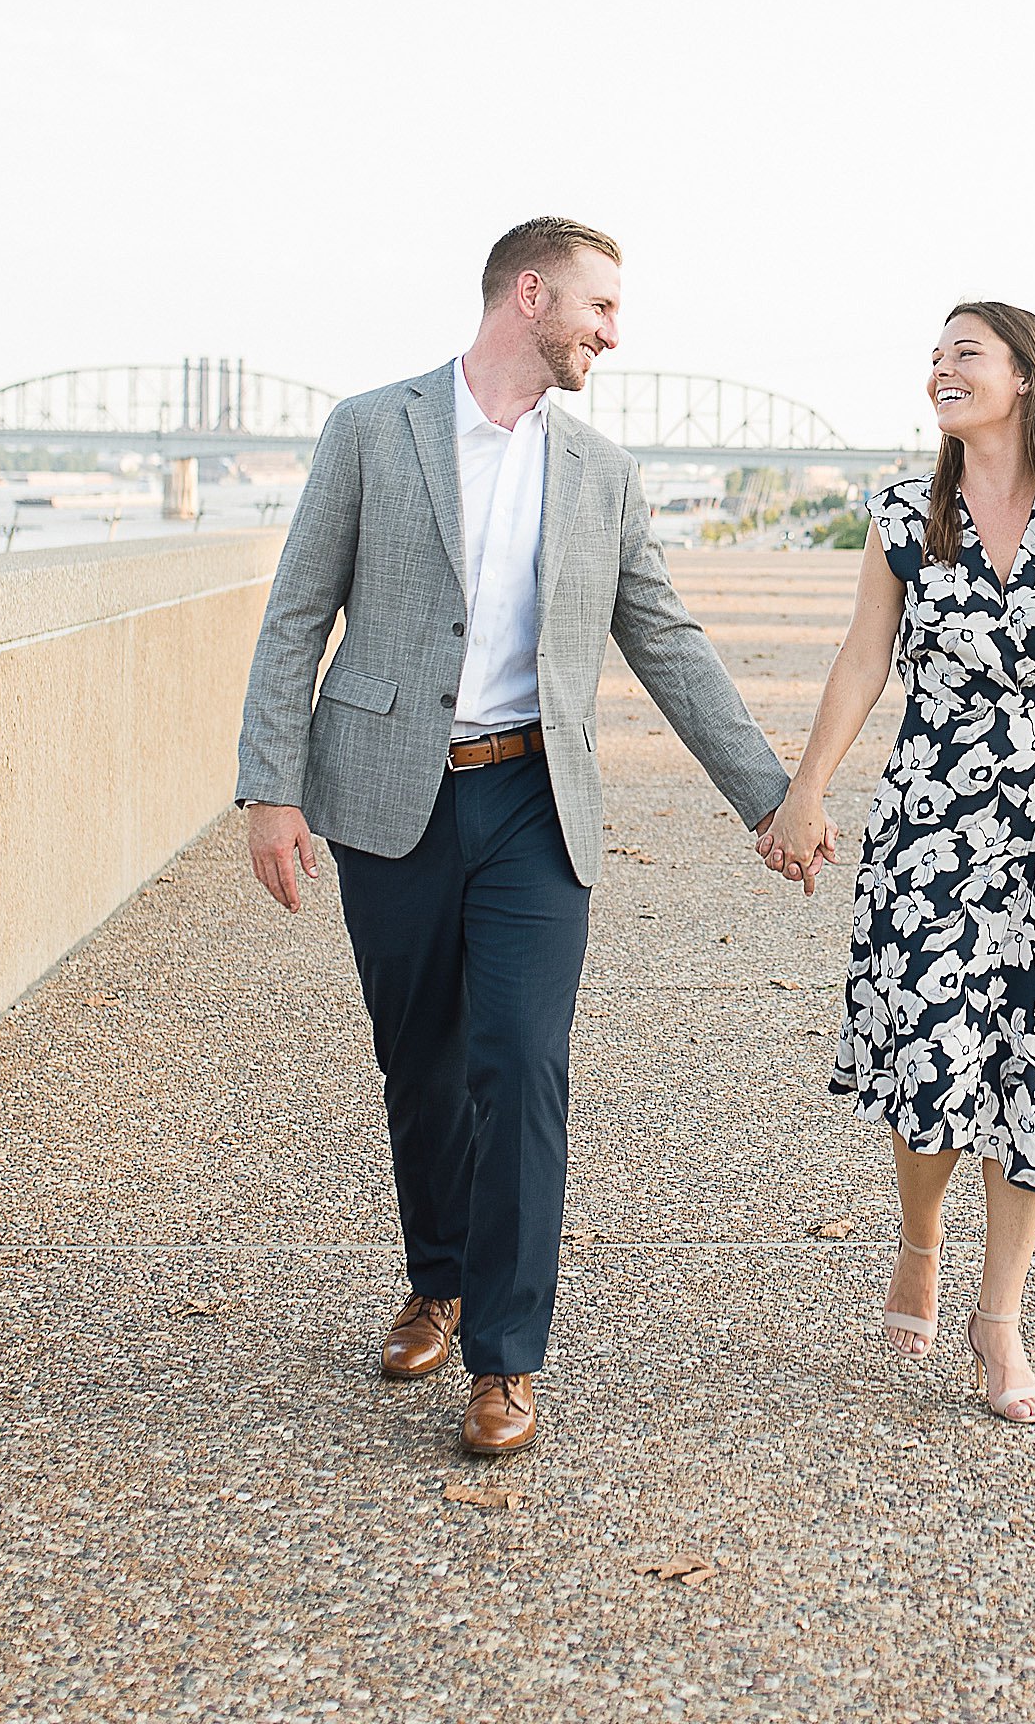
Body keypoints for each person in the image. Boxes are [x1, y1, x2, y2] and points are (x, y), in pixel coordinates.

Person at [235, 216, 794, 1459]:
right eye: (598, 307)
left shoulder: (600, 470)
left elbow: (665, 638)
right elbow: (293, 618)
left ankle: (504, 1355)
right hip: (388, 796)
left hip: (535, 799)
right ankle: (432, 1277)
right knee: (422, 1063)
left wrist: (768, 794)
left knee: (523, 1064)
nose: (613, 331)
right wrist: (270, 791)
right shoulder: (371, 430)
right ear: (528, 295)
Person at [757, 300, 1035, 1424]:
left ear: (1025, 376)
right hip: (932, 810)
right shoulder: (903, 511)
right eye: (934, 356)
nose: (940, 369)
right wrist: (806, 786)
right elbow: (862, 654)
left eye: (964, 354)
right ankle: (919, 1234)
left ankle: (1001, 1319)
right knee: (930, 1050)